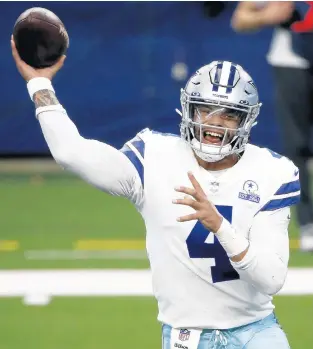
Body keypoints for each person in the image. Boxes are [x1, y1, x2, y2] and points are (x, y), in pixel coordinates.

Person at [11, 36, 300, 349]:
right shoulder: (154, 156)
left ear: (246, 120)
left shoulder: (273, 172)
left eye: (228, 114)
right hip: (186, 336)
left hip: (255, 333)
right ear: (189, 109)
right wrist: (39, 83)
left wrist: (220, 227)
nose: (215, 122)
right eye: (205, 109)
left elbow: (271, 279)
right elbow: (71, 153)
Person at [231, 1, 313, 252]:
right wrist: (267, 15)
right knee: (297, 146)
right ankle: (308, 223)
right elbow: (240, 18)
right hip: (293, 62)